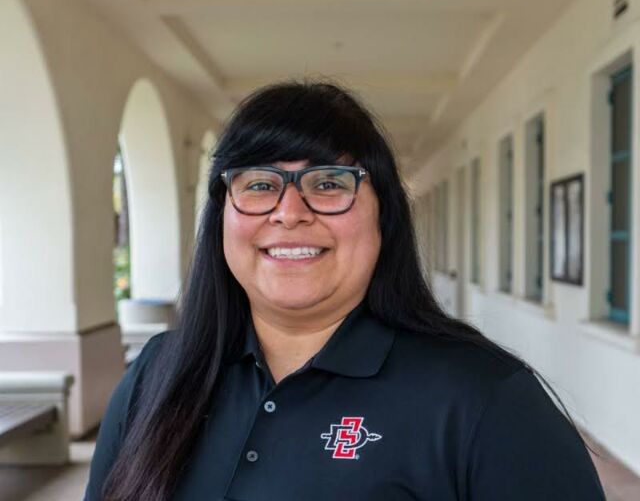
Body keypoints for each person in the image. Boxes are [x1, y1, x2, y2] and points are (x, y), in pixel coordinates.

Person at [84, 81, 606, 501]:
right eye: (260, 185)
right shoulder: (156, 375)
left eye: (329, 183)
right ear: (222, 216)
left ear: (384, 217)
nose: (289, 213)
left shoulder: (484, 398)